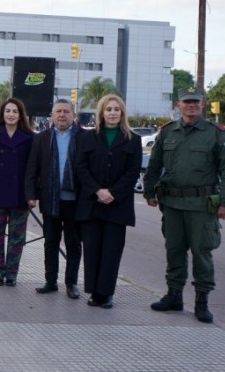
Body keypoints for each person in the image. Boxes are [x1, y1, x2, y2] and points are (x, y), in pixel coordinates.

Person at [144, 87, 225, 323]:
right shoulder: (167, 132)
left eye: (195, 102)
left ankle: (201, 301)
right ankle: (174, 296)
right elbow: (154, 165)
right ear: (178, 105)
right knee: (174, 250)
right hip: (173, 204)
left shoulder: (216, 133)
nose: (191, 106)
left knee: (202, 253)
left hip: (201, 206)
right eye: (187, 102)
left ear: (203, 104)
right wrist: (149, 191)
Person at [74, 95, 142, 309]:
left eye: (116, 109)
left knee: (112, 251)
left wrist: (112, 193)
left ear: (122, 113)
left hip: (117, 205)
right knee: (92, 249)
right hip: (92, 204)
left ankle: (106, 293)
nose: (112, 113)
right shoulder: (87, 138)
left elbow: (132, 172)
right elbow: (80, 168)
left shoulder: (133, 139)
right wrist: (97, 191)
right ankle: (94, 292)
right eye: (108, 109)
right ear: (101, 113)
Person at [25, 99, 84, 299]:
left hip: (75, 201)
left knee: (74, 243)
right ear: (51, 115)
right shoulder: (41, 138)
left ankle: (72, 283)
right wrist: (31, 194)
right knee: (51, 242)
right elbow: (32, 168)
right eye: (58, 111)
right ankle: (51, 281)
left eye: (66, 111)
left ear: (74, 116)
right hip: (50, 199)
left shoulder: (85, 137)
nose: (62, 115)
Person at [0, 97, 34, 287]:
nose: (11, 115)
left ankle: (12, 274)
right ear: (2, 114)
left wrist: (32, 195)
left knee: (17, 238)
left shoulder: (29, 138)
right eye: (8, 111)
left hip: (21, 196)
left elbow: (32, 169)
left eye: (15, 111)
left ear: (21, 115)